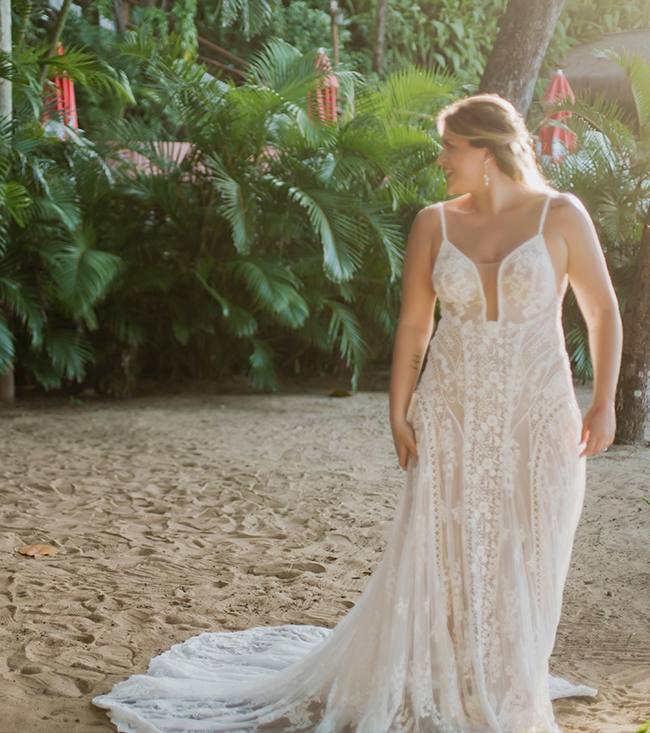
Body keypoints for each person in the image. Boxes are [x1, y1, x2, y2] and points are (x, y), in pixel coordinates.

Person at [93, 94, 622, 732]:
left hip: (538, 415)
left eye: (450, 146)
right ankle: (461, 679)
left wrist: (604, 399)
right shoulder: (434, 223)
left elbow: (602, 312)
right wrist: (398, 412)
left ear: (485, 150)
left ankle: (510, 683)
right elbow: (413, 327)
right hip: (451, 413)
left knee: (530, 544)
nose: (441, 159)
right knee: (451, 547)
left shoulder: (561, 216)